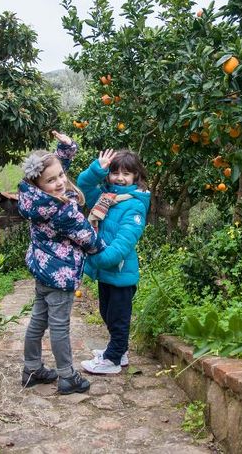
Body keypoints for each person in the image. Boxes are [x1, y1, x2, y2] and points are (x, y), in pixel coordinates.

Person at [17, 131, 106, 395]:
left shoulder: (34, 197)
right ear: (40, 183)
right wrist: (102, 239)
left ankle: (31, 369)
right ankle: (67, 376)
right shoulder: (63, 211)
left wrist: (65, 149)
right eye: (52, 180)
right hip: (61, 275)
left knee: (37, 321)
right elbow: (90, 241)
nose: (59, 182)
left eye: (61, 176)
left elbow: (54, 170)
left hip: (43, 271)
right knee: (59, 326)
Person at [77, 148, 150, 374]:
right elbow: (84, 186)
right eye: (115, 172)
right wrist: (98, 169)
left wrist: (95, 257)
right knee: (106, 313)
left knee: (118, 319)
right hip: (106, 272)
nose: (120, 177)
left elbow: (122, 244)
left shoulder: (135, 205)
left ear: (136, 177)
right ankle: (120, 351)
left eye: (127, 173)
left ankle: (113, 360)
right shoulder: (105, 198)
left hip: (119, 272)